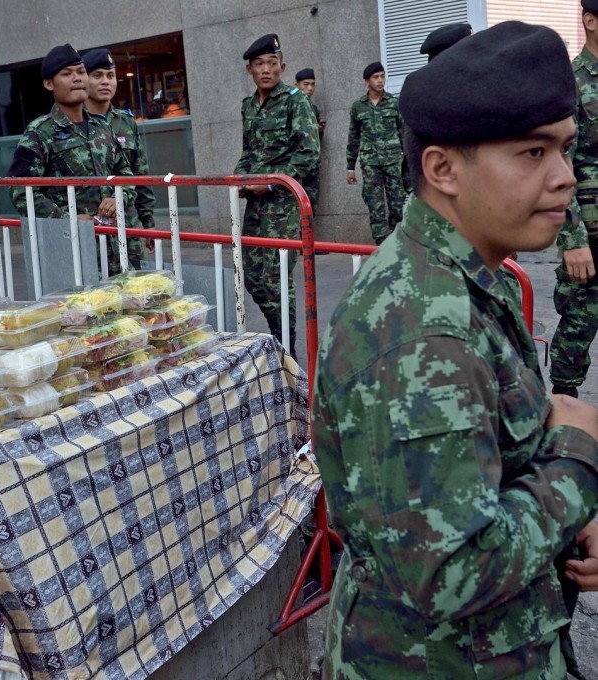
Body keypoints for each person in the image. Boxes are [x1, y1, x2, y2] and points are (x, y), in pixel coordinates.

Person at [313, 22, 598, 678]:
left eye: (566, 149)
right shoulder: (423, 331)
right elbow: (453, 572)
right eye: (533, 154)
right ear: (442, 168)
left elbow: (482, 479)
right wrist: (578, 460)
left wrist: (572, 522)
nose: (564, 179)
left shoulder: (469, 267)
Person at [7, 44, 137, 276]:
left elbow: (125, 172)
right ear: (49, 84)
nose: (77, 78)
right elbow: (19, 190)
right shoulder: (40, 132)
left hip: (115, 249)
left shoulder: (101, 126)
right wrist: (65, 219)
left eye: (80, 72)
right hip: (72, 250)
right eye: (67, 74)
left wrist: (119, 197)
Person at [233, 33, 320, 354]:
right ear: (249, 70)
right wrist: (239, 179)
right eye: (259, 64)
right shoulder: (248, 106)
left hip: (283, 204)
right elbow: (248, 152)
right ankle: (277, 331)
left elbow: (309, 153)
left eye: (272, 63)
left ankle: (287, 347)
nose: (266, 69)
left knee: (277, 275)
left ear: (282, 66)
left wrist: (270, 182)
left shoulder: (296, 100)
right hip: (255, 205)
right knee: (251, 274)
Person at [551, 0, 598, 399]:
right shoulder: (571, 83)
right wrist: (574, 240)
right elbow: (559, 165)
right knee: (578, 327)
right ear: (590, 21)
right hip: (591, 232)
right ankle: (565, 419)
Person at [82, 47, 154, 269]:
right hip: (88, 226)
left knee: (132, 290)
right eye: (97, 76)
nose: (106, 82)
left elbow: (140, 172)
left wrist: (148, 222)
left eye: (110, 76)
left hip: (127, 223)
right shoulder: (75, 123)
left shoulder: (125, 122)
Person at [345, 61, 406, 245]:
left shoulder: (394, 103)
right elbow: (353, 137)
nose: (380, 81)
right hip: (370, 163)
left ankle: (396, 243)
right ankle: (381, 244)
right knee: (375, 205)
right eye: (376, 77)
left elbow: (404, 133)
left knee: (397, 204)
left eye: (382, 76)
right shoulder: (358, 106)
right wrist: (350, 167)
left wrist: (409, 162)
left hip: (394, 161)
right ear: (367, 81)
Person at [294, 67, 325, 210]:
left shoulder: (313, 108)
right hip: (295, 164)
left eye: (312, 84)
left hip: (312, 165)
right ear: (297, 85)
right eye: (305, 84)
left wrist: (319, 131)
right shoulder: (291, 105)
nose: (310, 88)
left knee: (310, 205)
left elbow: (316, 141)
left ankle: (307, 232)